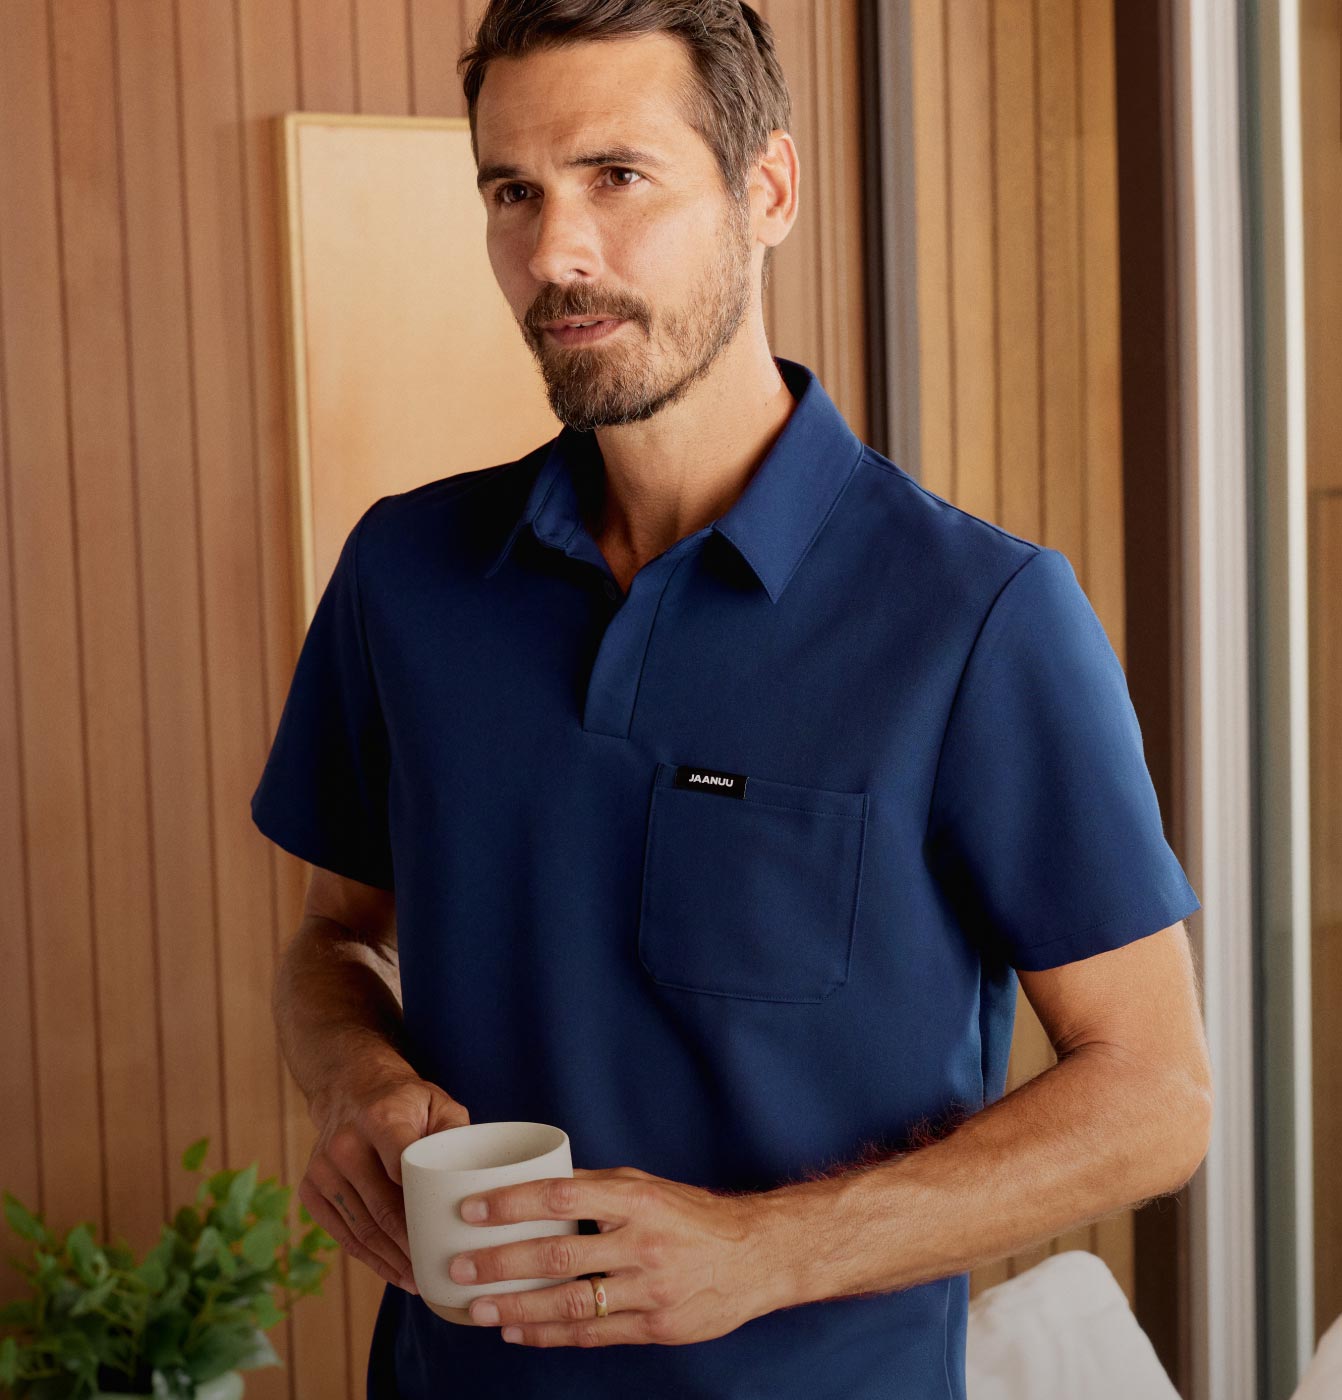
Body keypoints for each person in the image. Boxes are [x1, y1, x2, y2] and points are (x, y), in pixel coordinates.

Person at [251, 3, 1213, 1397]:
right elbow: (335, 943)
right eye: (510, 192)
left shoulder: (978, 616)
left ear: (767, 190)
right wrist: (357, 1086)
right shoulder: (406, 573)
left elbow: (1153, 1101)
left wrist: (763, 1252)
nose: (553, 252)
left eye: (615, 178)